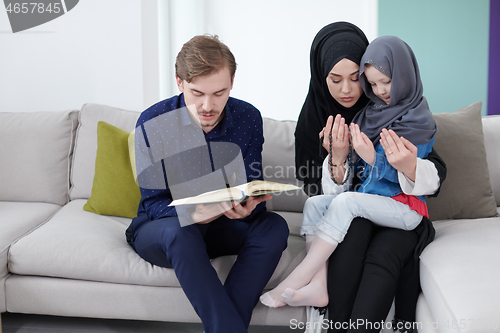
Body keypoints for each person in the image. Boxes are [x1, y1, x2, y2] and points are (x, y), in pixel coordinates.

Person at [260, 34, 437, 312]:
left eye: (356, 78)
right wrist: (338, 159)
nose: (377, 90)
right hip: (365, 206)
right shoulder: (369, 117)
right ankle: (318, 285)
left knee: (348, 206)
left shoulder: (415, 119)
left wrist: (373, 158)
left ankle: (302, 274)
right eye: (335, 79)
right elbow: (341, 183)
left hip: (401, 208)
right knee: (314, 204)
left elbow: (425, 172)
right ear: (322, 77)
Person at [125, 34, 289, 333]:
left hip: (221, 225)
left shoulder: (248, 117)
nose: (207, 106)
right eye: (196, 93)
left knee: (274, 226)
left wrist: (247, 208)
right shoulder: (152, 120)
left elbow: (250, 184)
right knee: (180, 233)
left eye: (219, 93)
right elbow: (153, 203)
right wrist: (199, 212)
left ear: (232, 82)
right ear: (179, 82)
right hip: (164, 230)